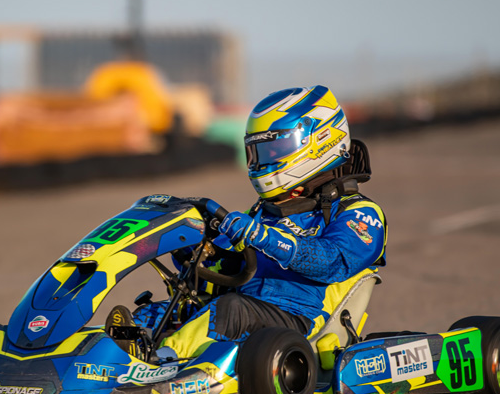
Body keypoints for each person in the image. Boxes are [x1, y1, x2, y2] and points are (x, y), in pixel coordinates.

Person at [110, 85, 387, 362]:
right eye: (259, 151)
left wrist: (264, 237)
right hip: (245, 310)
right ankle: (107, 357)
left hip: (299, 321)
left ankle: (159, 362)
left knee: (230, 309)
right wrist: (193, 252)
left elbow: (331, 262)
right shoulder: (263, 212)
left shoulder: (359, 213)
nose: (264, 161)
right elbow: (224, 269)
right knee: (159, 311)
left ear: (320, 140)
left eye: (275, 148)